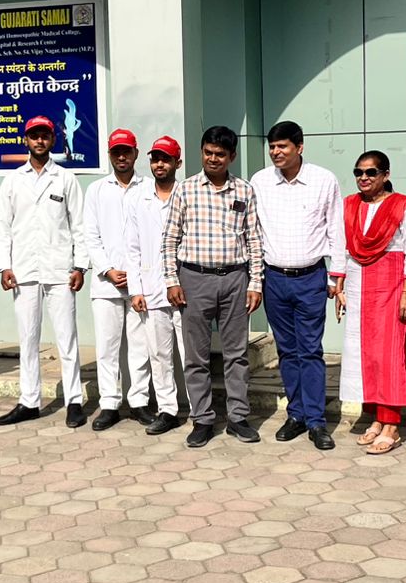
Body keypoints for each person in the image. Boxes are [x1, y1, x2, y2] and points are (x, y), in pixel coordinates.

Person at [162, 124, 264, 449]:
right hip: (194, 279)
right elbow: (170, 238)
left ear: (232, 155)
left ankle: (238, 417)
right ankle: (203, 419)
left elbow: (254, 240)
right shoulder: (186, 189)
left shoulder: (244, 191)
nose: (213, 159)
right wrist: (172, 280)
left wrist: (255, 283)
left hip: (235, 279)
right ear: (201, 153)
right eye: (208, 153)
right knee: (196, 356)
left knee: (237, 354)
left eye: (220, 154)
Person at [0, 116, 88, 427]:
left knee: (67, 339)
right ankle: (29, 401)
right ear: (26, 140)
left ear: (53, 139)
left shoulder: (65, 178)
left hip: (60, 271)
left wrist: (80, 265)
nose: (40, 141)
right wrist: (4, 266)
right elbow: (2, 227)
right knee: (28, 339)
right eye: (34, 136)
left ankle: (74, 401)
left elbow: (80, 226)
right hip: (24, 270)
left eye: (45, 135)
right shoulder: (12, 181)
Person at [252, 121, 341, 451]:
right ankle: (297, 414)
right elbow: (253, 231)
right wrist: (256, 279)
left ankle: (316, 421)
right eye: (272, 147)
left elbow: (336, 230)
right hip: (274, 279)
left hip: (311, 279)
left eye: (283, 146)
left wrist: (335, 277)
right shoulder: (260, 181)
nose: (276, 152)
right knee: (287, 351)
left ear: (299, 147)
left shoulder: (323, 180)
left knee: (310, 350)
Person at [332, 151, 406, 455]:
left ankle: (392, 425)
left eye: (371, 172)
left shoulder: (402, 206)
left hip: (391, 284)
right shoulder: (349, 205)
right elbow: (340, 246)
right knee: (364, 354)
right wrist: (338, 285)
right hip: (358, 284)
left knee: (389, 354)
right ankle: (376, 418)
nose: (364, 178)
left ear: (385, 175)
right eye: (358, 172)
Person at [84, 129, 153, 431]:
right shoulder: (97, 190)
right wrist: (108, 269)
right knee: (107, 348)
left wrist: (138, 275)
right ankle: (110, 404)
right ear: (109, 155)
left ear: (136, 153)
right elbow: (90, 236)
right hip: (106, 284)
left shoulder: (148, 188)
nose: (122, 156)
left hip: (141, 285)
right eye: (116, 152)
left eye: (126, 151)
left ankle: (139, 402)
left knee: (140, 347)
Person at [125, 136, 186, 436]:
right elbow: (132, 247)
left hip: (185, 287)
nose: (159, 164)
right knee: (159, 355)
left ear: (178, 163)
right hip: (151, 287)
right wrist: (135, 289)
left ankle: (201, 410)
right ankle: (168, 410)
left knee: (190, 354)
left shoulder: (187, 194)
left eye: (166, 159)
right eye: (155, 159)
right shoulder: (139, 199)